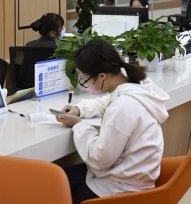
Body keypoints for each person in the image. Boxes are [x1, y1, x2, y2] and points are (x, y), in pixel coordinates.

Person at [55, 39, 169, 204]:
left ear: (102, 76)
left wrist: (79, 125)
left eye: (84, 78)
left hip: (121, 189)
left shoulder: (123, 106)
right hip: (132, 176)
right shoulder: (137, 86)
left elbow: (99, 158)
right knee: (59, 179)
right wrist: (80, 109)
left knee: (54, 189)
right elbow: (107, 101)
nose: (84, 84)